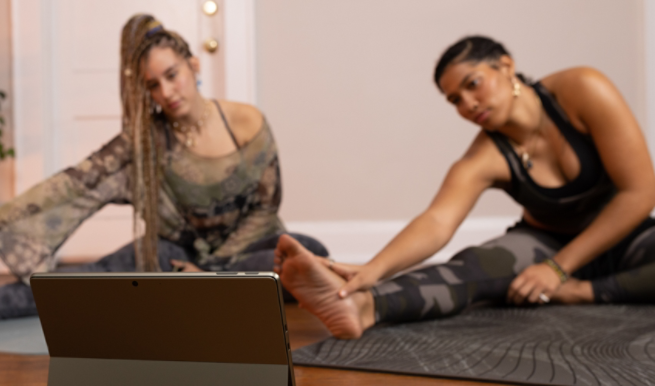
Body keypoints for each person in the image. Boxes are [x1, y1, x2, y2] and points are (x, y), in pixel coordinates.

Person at [0, 14, 327, 327]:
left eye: (172, 75)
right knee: (107, 276)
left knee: (309, 254)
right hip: (175, 258)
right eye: (153, 85)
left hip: (246, 251)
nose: (167, 92)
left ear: (192, 65)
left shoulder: (245, 121)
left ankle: (207, 289)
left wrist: (207, 272)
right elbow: (72, 185)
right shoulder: (144, 142)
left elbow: (264, 208)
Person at [275, 36, 655, 339]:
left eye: (473, 85)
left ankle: (585, 291)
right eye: (455, 99)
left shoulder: (581, 89)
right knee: (471, 268)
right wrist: (371, 271)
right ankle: (364, 307)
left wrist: (561, 272)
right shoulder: (483, 156)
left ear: (506, 66)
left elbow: (639, 193)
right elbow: (438, 221)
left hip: (623, 235)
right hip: (544, 241)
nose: (469, 104)